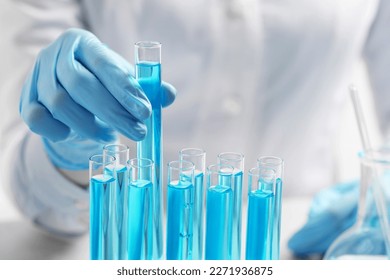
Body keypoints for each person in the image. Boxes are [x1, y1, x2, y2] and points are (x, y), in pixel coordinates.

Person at [0, 0, 389, 257]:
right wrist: (68, 148)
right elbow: (27, 176)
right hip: (120, 245)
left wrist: (381, 197)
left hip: (294, 246)